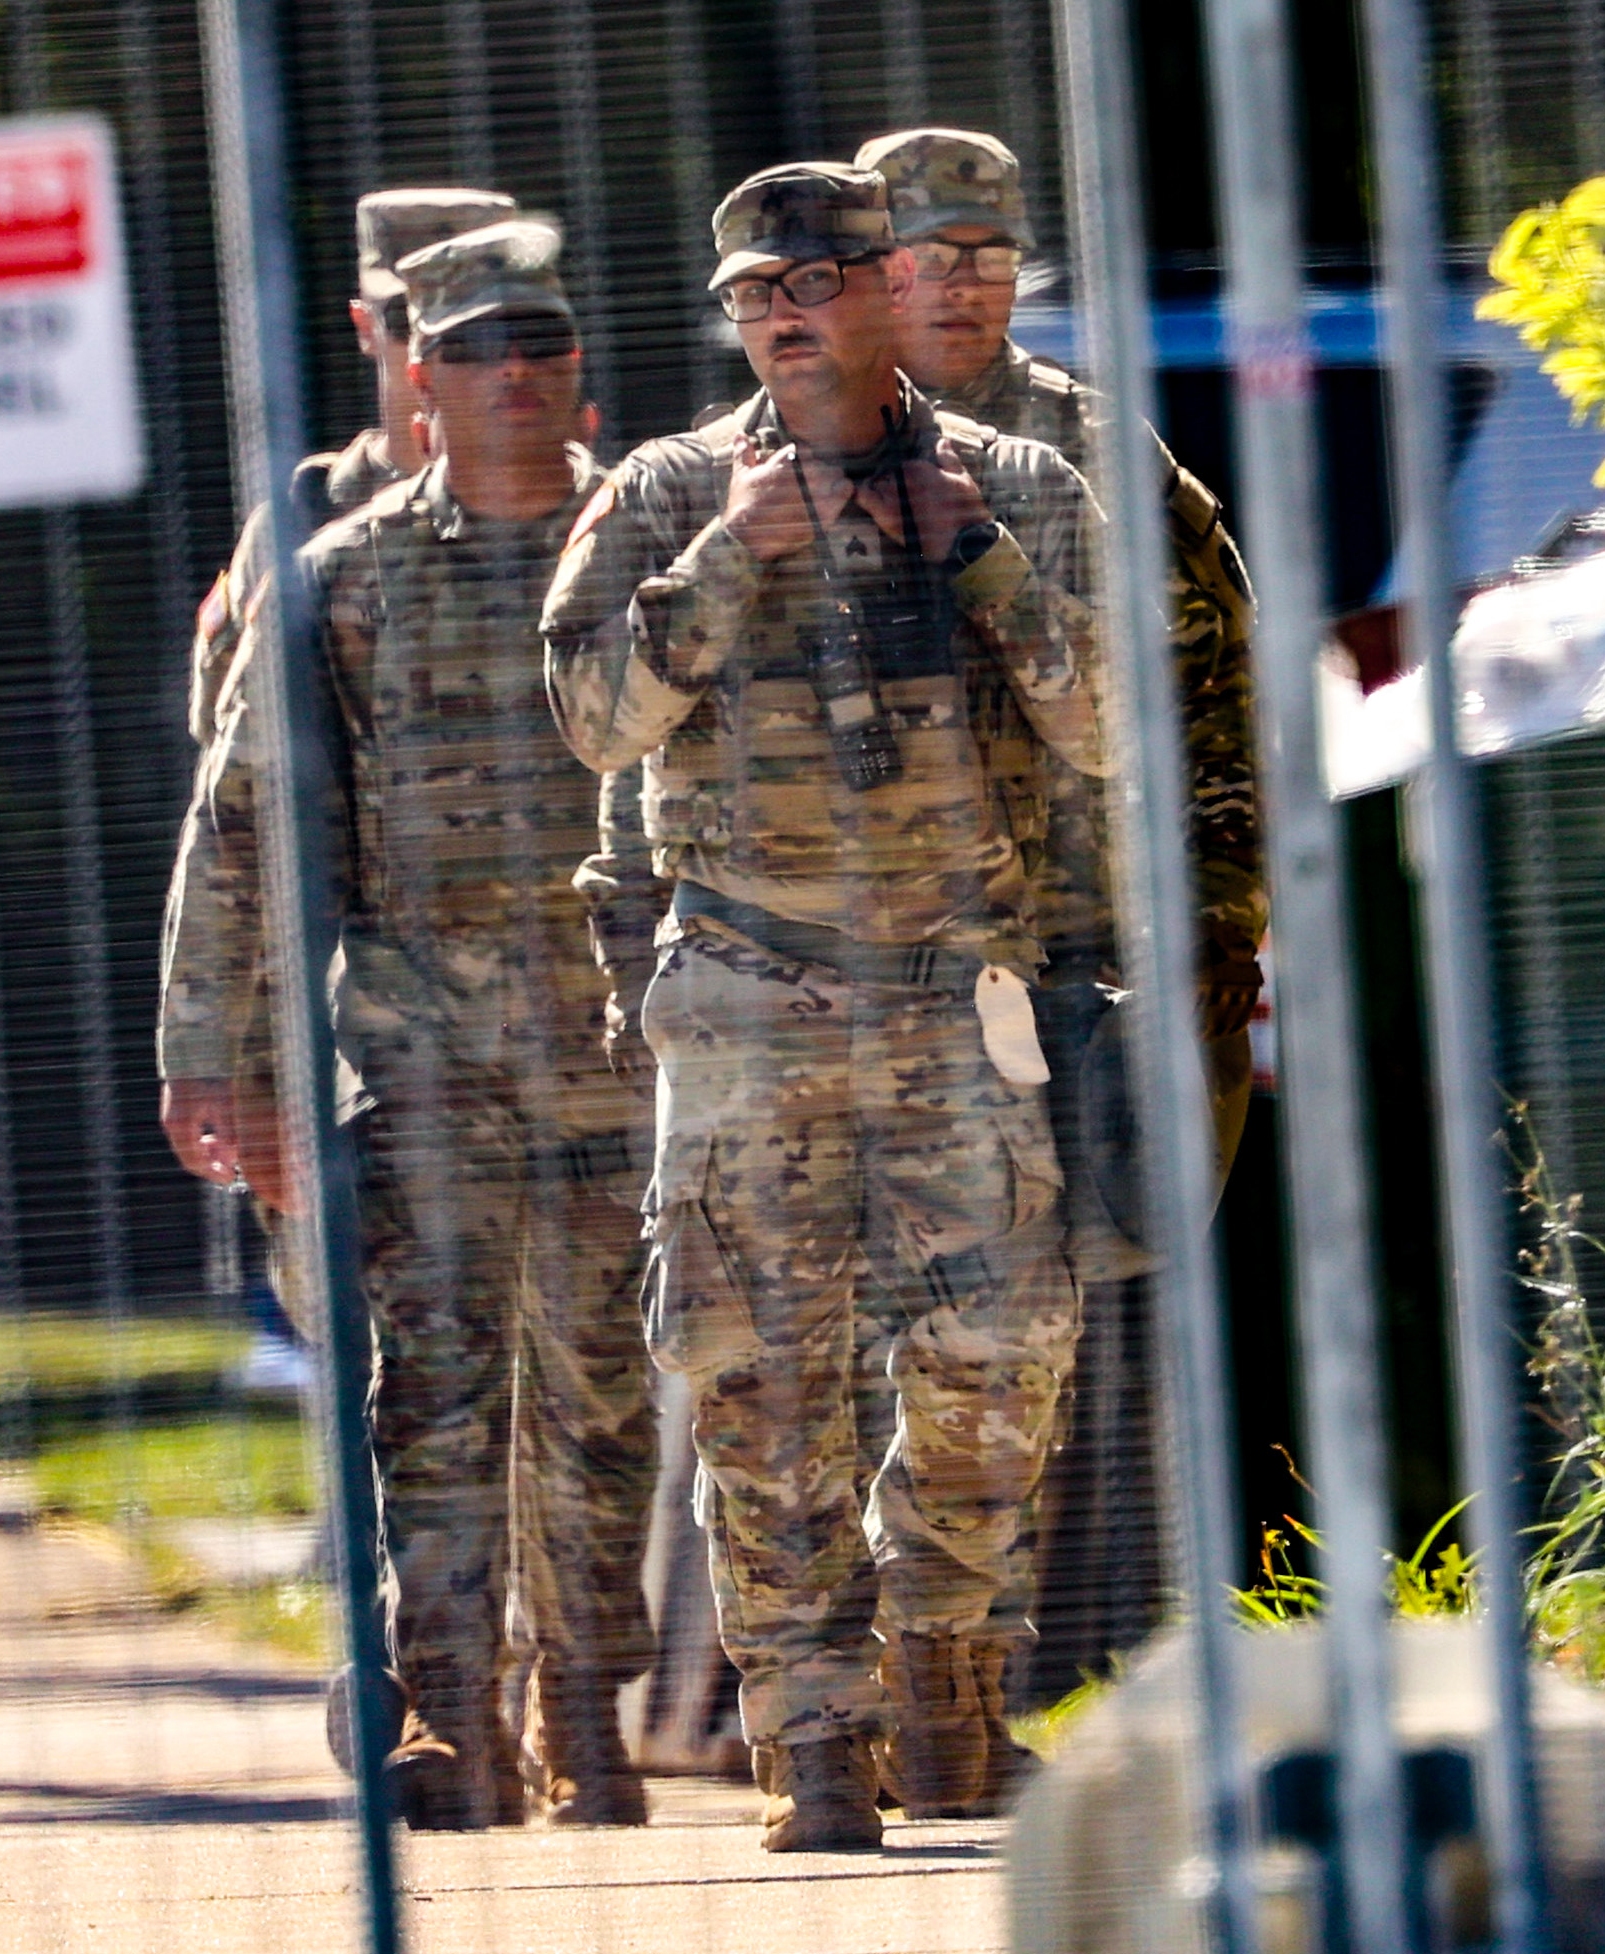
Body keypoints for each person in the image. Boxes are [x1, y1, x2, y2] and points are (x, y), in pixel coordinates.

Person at [542, 164, 1108, 1848]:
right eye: (755, 292)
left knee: (999, 1349)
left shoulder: (1014, 480)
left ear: (885, 291)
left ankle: (947, 1678)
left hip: (958, 995)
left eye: (816, 280)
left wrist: (981, 560)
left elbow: (1112, 728)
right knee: (758, 1380)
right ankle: (813, 1737)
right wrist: (727, 560)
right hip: (744, 993)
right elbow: (590, 716)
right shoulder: (658, 493)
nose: (786, 312)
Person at [179, 219, 656, 1829]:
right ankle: (447, 1711)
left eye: (541, 343)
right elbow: (247, 826)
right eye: (471, 350)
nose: (513, 372)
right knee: (433, 1397)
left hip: (623, 1060)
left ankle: (586, 1706)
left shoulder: (653, 548)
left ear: (578, 370)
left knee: (603, 1401)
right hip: (421, 1051)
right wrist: (215, 1054)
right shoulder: (340, 580)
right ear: (417, 381)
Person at [855, 125, 1265, 1702]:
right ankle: (851, 1687)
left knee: (1044, 1323)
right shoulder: (789, 452)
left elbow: (1214, 707)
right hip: (852, 968)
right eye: (914, 258)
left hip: (1068, 962)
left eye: (981, 256)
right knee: (842, 1334)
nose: (951, 286)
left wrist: (1221, 918)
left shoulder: (1102, 457)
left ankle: (1010, 1673)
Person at [161, 186, 517, 1213]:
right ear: (371, 330)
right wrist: (243, 1060)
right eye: (420, 320)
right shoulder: (308, 533)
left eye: (490, 326)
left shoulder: (605, 507)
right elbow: (243, 824)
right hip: (369, 1061)